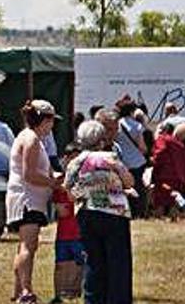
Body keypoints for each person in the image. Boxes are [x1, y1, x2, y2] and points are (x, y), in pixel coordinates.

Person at [65, 120, 134, 304]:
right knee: (118, 262)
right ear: (101, 140)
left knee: (93, 261)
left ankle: (93, 300)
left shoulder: (75, 162)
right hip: (114, 214)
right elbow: (128, 182)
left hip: (87, 214)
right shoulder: (111, 158)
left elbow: (69, 193)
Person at [6, 100, 61, 304]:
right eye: (51, 121)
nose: (52, 126)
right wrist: (53, 183)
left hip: (30, 199)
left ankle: (18, 290)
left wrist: (55, 177)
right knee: (28, 246)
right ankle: (26, 292)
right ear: (44, 120)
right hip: (26, 199)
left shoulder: (33, 138)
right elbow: (29, 174)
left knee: (25, 246)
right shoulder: (31, 140)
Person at [50, 143, 84, 304]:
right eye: (71, 159)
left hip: (80, 232)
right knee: (60, 264)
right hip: (64, 233)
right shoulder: (60, 183)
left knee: (81, 264)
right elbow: (62, 210)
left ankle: (77, 293)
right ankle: (57, 296)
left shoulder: (85, 181)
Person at [113, 96, 148, 218]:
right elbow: (142, 146)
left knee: (124, 187)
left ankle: (127, 211)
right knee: (138, 187)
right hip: (137, 162)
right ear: (131, 111)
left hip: (122, 161)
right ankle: (139, 212)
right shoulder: (137, 126)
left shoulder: (116, 125)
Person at [151, 123, 185, 220]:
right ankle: (174, 219)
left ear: (163, 131)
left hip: (163, 176)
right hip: (176, 177)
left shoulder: (163, 139)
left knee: (160, 199)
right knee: (172, 199)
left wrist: (153, 160)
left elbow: (160, 152)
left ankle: (159, 218)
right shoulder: (179, 144)